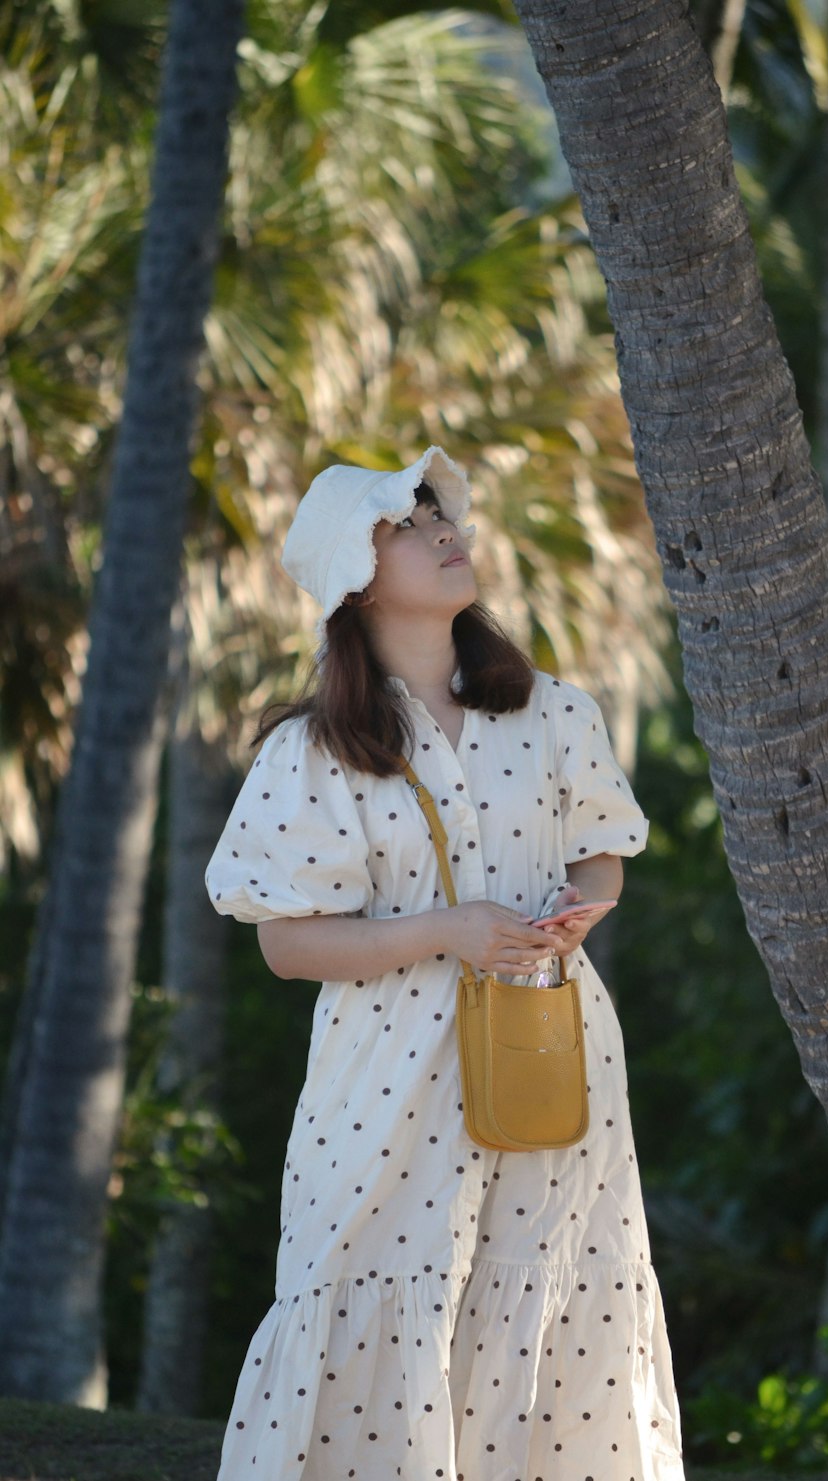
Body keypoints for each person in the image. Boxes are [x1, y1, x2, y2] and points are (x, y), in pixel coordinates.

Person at [205, 446, 685, 1480]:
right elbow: (286, 942)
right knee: (372, 1286)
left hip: (548, 1047)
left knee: (557, 1286)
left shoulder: (553, 709)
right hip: (384, 1079)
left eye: (440, 513)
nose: (442, 529)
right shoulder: (313, 749)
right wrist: (445, 930)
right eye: (407, 523)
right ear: (356, 575)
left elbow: (600, 847)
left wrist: (578, 909)